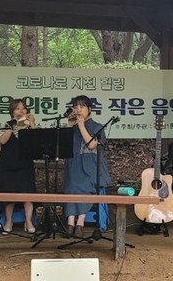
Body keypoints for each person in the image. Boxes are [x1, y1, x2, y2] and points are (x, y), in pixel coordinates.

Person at [62, 95, 111, 238]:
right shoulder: (72, 127)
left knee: (83, 185)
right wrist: (69, 126)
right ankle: (70, 222)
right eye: (75, 107)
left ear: (89, 109)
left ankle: (80, 222)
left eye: (82, 107)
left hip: (92, 168)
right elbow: (62, 146)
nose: (78, 109)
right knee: (72, 184)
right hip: (74, 166)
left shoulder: (97, 126)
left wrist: (81, 125)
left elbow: (91, 145)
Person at [0, 98, 37, 233]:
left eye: (23, 108)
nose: (21, 111)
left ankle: (28, 221)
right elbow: (3, 141)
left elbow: (36, 141)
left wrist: (32, 123)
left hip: (25, 164)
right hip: (8, 164)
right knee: (9, 193)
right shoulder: (8, 124)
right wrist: (13, 125)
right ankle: (9, 221)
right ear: (12, 112)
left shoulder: (29, 125)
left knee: (28, 193)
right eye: (17, 108)